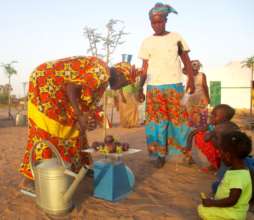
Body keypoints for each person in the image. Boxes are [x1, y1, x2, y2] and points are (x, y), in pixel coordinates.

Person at [19, 56, 137, 188]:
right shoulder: (102, 71)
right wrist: (80, 115)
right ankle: (30, 178)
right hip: (46, 82)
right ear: (121, 75)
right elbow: (71, 87)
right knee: (47, 128)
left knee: (75, 128)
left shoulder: (103, 81)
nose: (120, 88)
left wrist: (88, 119)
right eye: (125, 84)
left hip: (60, 89)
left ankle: (79, 168)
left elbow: (84, 99)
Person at [137, 2, 195, 168]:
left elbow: (186, 60)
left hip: (175, 86)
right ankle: (160, 154)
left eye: (160, 21)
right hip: (154, 88)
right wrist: (140, 87)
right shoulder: (146, 42)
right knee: (157, 122)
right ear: (150, 23)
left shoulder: (176, 37)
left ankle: (185, 153)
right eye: (153, 22)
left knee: (180, 121)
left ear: (165, 20)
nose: (157, 25)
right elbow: (144, 68)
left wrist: (190, 79)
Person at [198, 131, 254, 220]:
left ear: (227, 155)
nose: (219, 156)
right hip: (234, 210)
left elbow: (232, 200)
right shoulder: (241, 171)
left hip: (232, 213)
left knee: (202, 209)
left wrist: (212, 203)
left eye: (220, 153)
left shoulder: (238, 176)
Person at [190, 104, 239, 171]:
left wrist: (209, 134)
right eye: (212, 114)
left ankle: (215, 165)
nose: (211, 117)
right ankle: (216, 165)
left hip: (224, 154)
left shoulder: (219, 128)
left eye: (215, 116)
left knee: (201, 136)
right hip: (234, 152)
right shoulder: (234, 125)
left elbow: (206, 139)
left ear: (224, 118)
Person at [183, 60, 210, 129]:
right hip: (197, 99)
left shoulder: (191, 75)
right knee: (199, 116)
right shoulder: (198, 75)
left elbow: (205, 86)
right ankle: (199, 132)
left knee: (195, 116)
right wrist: (208, 97)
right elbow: (205, 86)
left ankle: (196, 133)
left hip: (195, 99)